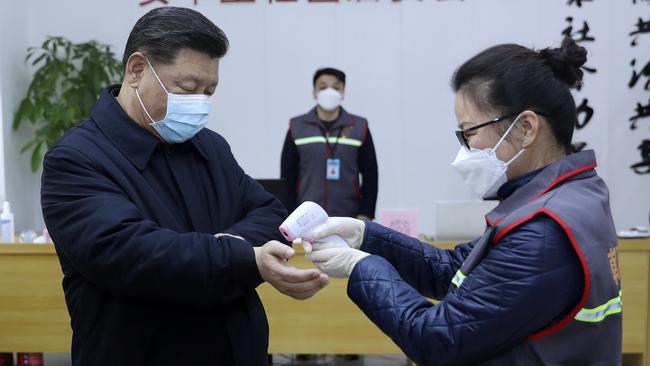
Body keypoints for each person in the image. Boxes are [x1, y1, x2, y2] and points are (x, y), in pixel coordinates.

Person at [301, 37, 622, 365]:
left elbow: (437, 339)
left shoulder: (541, 233)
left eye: (469, 132)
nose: (466, 148)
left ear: (526, 128)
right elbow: (453, 270)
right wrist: (365, 236)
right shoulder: (569, 196)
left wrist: (361, 266)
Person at [40, 7, 328, 366]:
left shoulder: (210, 147)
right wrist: (241, 257)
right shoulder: (76, 160)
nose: (200, 103)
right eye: (188, 88)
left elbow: (268, 212)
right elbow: (134, 253)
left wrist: (230, 249)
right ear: (136, 70)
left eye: (209, 90)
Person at [281, 67, 378, 220]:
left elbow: (371, 175)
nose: (329, 91)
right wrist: (290, 214)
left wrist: (365, 213)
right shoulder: (297, 127)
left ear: (343, 92)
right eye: (323, 87)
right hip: (306, 218)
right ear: (314, 92)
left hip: (349, 218)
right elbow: (287, 177)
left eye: (336, 87)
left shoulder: (359, 127)